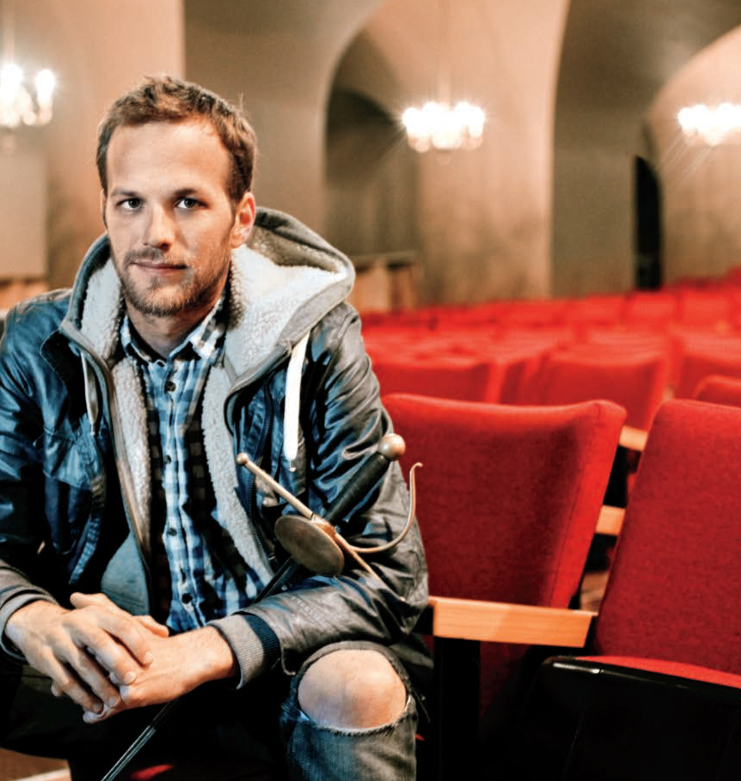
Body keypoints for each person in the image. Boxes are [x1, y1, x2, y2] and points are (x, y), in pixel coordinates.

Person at [0, 75, 430, 781]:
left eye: (188, 203)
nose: (154, 233)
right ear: (105, 208)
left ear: (241, 218)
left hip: (277, 654)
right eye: (130, 202)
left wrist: (208, 648)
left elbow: (388, 578)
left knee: (357, 683)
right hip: (118, 650)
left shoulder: (316, 339)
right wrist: (33, 617)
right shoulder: (37, 341)